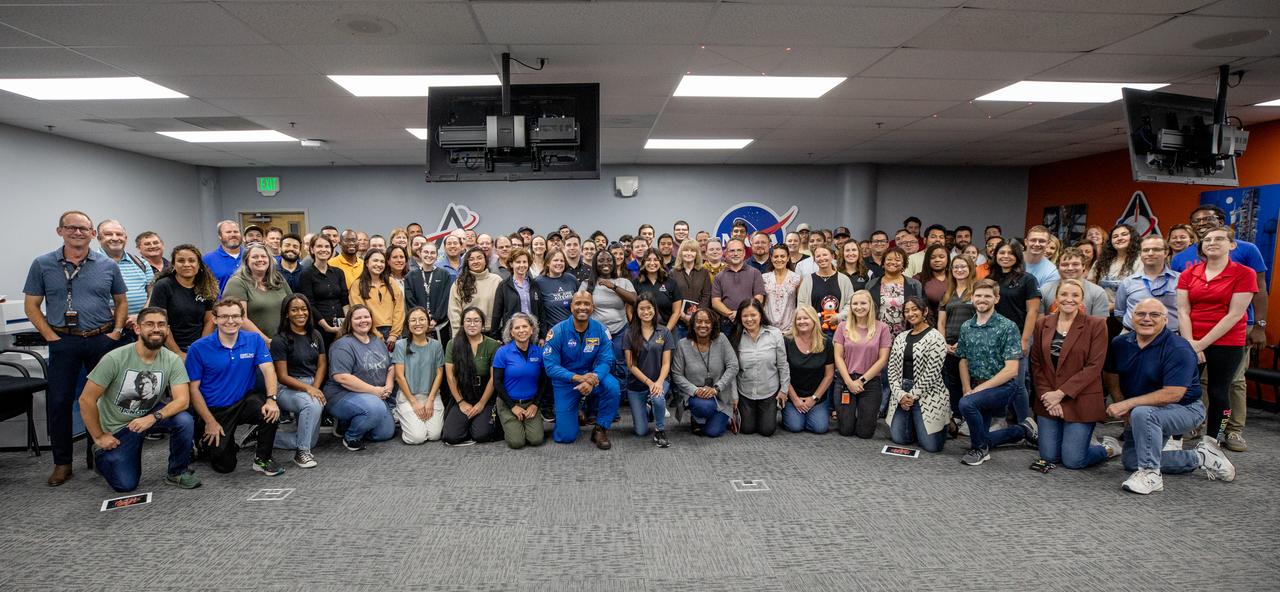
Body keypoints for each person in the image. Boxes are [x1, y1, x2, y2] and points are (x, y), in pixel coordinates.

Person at [24, 210, 128, 486]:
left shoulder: (107, 265)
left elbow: (121, 301)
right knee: (59, 402)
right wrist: (50, 336)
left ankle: (100, 455)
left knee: (105, 400)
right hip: (63, 340)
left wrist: (116, 332)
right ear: (60, 231)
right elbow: (31, 305)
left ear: (92, 234)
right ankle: (62, 463)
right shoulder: (43, 264)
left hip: (101, 339)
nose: (78, 233)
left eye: (84, 229)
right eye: (71, 228)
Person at [1103, 299, 1235, 494]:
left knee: (1144, 414)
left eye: (1154, 315)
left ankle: (1151, 474)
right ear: (1131, 317)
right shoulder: (1120, 343)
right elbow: (1111, 373)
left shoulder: (1179, 348)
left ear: (1165, 320)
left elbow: (1174, 393)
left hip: (1185, 408)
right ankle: (1201, 457)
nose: (1146, 319)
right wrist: (1120, 401)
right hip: (1143, 408)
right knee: (1131, 461)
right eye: (1141, 314)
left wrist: (1128, 404)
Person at [1171, 205, 1269, 451]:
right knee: (1183, 388)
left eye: (1219, 239)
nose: (1212, 242)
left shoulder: (1244, 273)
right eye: (1207, 240)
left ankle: (1214, 439)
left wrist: (1200, 345)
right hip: (1191, 338)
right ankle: (1176, 436)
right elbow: (1183, 310)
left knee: (1219, 390)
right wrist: (1191, 343)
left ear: (1232, 245)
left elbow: (1234, 315)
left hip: (1227, 340)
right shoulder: (1188, 273)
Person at [79, 307, 199, 492]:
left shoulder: (172, 360)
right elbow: (86, 400)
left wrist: (153, 417)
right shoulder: (115, 358)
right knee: (125, 485)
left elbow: (182, 400)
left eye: (161, 324)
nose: (156, 329)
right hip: (118, 428)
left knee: (184, 419)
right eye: (149, 324)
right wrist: (99, 437)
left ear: (167, 329)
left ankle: (177, 472)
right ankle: (102, 455)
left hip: (148, 416)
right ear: (137, 329)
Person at [184, 298, 284, 476]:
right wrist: (209, 421)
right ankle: (203, 439)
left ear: (242, 318)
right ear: (214, 319)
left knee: (271, 412)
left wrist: (271, 399)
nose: (230, 321)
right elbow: (193, 390)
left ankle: (262, 459)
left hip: (243, 401)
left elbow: (268, 369)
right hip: (215, 410)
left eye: (235, 316)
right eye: (224, 317)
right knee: (225, 466)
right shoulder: (198, 348)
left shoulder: (253, 339)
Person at [1028, 279, 1115, 469]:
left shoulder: (1096, 325)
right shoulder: (1043, 323)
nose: (1069, 299)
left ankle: (1107, 449)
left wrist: (1060, 394)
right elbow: (1036, 364)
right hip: (1048, 399)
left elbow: (1094, 367)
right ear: (1056, 299)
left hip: (1080, 398)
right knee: (1049, 457)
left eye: (1075, 295)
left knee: (1073, 461)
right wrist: (1048, 396)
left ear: (1082, 299)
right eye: (1064, 295)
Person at [955, 280, 1032, 466]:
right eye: (978, 295)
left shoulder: (1007, 326)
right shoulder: (967, 326)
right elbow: (963, 360)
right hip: (977, 385)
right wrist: (967, 387)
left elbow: (1012, 370)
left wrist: (977, 391)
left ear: (996, 299)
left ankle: (981, 451)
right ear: (972, 298)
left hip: (1004, 386)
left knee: (966, 404)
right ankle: (1023, 431)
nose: (982, 299)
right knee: (980, 436)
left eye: (987, 296)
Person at [543, 291, 622, 448]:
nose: (582, 307)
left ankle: (600, 428)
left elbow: (606, 359)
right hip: (567, 382)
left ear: (592, 307)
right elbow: (551, 367)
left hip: (594, 377)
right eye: (578, 303)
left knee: (613, 387)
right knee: (566, 436)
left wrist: (593, 378)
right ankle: (575, 411)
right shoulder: (557, 331)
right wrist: (580, 378)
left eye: (587, 304)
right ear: (571, 306)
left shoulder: (600, 330)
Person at [323, 305, 396, 451]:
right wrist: (375, 391)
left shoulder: (377, 341)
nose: (363, 320)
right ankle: (351, 436)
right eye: (358, 318)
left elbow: (390, 367)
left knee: (384, 433)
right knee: (375, 409)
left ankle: (349, 422)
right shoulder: (342, 345)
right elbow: (342, 377)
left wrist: (388, 386)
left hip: (374, 396)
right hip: (342, 395)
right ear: (349, 321)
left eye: (366, 317)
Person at [988, 240, 1040, 435]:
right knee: (995, 380)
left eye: (1010, 253)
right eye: (1002, 252)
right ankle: (999, 419)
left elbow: (1033, 312)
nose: (1005, 256)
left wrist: (1025, 340)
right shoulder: (991, 279)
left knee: (1017, 383)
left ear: (1018, 256)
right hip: (993, 338)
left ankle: (1026, 423)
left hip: (1017, 337)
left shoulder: (1027, 279)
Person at [886, 297, 949, 453]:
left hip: (928, 392)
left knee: (932, 446)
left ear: (925, 311)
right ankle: (916, 423)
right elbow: (892, 369)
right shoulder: (901, 337)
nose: (910, 313)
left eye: (914, 309)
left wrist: (913, 395)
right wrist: (900, 395)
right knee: (900, 438)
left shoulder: (936, 337)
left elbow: (932, 373)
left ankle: (947, 422)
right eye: (906, 311)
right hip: (902, 389)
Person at [270, 294, 325, 468]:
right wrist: (309, 390)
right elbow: (282, 376)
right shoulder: (280, 340)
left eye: (303, 309)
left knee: (311, 440)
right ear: (286, 314)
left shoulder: (315, 335)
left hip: (311, 385)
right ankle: (301, 453)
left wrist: (314, 387)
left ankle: (264, 436)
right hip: (287, 387)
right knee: (312, 404)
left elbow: (322, 365)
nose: (300, 313)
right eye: (294, 310)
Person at [670, 308, 738, 437]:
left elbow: (733, 366)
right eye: (699, 321)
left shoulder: (722, 339)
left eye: (707, 322)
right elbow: (676, 374)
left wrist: (716, 388)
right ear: (693, 324)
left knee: (712, 432)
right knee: (704, 406)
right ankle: (699, 417)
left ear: (713, 325)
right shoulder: (682, 345)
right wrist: (696, 390)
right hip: (696, 395)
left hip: (720, 394)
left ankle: (717, 417)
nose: (703, 325)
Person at [832, 291, 889, 439]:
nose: (859, 307)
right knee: (846, 430)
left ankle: (865, 417)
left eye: (863, 303)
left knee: (865, 433)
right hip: (845, 381)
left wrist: (861, 381)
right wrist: (849, 382)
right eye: (855, 304)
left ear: (870, 305)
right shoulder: (842, 327)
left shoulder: (882, 328)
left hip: (870, 383)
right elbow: (838, 357)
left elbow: (883, 359)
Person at [442, 307, 500, 445]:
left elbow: (493, 378)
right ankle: (468, 423)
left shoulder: (492, 345)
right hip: (463, 393)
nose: (472, 324)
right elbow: (451, 377)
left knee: (481, 435)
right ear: (462, 323)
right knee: (451, 436)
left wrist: (481, 404)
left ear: (482, 324)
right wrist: (461, 402)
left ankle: (478, 422)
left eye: (476, 321)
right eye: (468, 320)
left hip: (485, 394)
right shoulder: (453, 344)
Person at [731, 299, 789, 437]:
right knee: (747, 429)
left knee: (767, 430)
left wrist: (784, 390)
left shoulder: (774, 334)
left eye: (753, 315)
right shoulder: (735, 336)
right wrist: (734, 396)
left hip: (769, 391)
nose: (749, 319)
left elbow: (783, 364)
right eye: (745, 316)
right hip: (745, 391)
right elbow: (732, 370)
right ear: (740, 317)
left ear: (761, 315)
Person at [623, 293, 675, 446]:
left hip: (660, 380)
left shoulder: (664, 332)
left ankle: (660, 430)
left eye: (649, 308)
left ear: (654, 309)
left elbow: (666, 364)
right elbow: (631, 365)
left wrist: (658, 383)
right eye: (641, 309)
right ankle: (647, 407)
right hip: (636, 386)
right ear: (636, 311)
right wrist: (649, 383)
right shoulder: (629, 333)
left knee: (658, 397)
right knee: (640, 431)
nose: (646, 312)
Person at [147, 244, 216, 356]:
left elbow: (209, 320)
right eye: (181, 261)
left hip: (199, 346)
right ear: (173, 264)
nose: (187, 264)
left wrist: (201, 348)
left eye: (191, 260)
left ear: (199, 265)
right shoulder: (163, 286)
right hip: (169, 348)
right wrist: (178, 353)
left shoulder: (206, 286)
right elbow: (160, 324)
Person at [392, 307, 446, 445]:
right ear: (408, 324)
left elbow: (439, 374)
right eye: (413, 320)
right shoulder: (400, 345)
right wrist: (414, 402)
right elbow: (399, 376)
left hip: (430, 396)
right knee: (417, 438)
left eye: (422, 319)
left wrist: (430, 400)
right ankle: (401, 413)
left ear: (428, 323)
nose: (418, 323)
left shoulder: (436, 345)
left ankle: (418, 422)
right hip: (408, 396)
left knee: (435, 435)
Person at [493, 313, 546, 449]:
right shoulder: (502, 352)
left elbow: (544, 381)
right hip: (508, 403)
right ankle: (507, 422)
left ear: (532, 329)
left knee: (536, 440)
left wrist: (535, 404)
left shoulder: (539, 352)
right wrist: (512, 406)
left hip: (530, 404)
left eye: (525, 326)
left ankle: (524, 423)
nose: (521, 330)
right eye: (517, 328)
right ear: (511, 332)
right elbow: (497, 383)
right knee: (517, 443)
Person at [221, 243, 293, 342]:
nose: (260, 259)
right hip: (252, 344)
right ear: (246, 261)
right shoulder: (237, 282)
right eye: (255, 257)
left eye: (264, 256)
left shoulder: (278, 279)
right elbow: (240, 319)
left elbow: (293, 305)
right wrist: (267, 341)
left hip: (283, 341)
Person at [781, 305, 834, 434]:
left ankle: (810, 413)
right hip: (793, 396)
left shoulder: (826, 342)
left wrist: (814, 398)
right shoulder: (787, 341)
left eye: (806, 318)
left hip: (817, 396)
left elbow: (829, 375)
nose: (802, 321)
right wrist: (795, 399)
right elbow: (783, 373)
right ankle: (796, 414)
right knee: (795, 427)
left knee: (820, 428)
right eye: (798, 319)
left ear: (814, 320)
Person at [97, 219, 154, 337]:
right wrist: (121, 318)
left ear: (126, 238)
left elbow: (152, 294)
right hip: (108, 328)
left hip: (142, 326)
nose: (115, 238)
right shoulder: (90, 264)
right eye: (108, 234)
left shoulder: (141, 263)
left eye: (119, 234)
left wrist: (139, 316)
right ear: (99, 239)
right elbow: (89, 300)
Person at [937, 255, 976, 425]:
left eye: (963, 267)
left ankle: (970, 416)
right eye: (956, 267)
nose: (959, 270)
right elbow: (941, 322)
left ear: (970, 268)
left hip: (970, 344)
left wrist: (964, 341)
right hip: (949, 344)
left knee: (970, 380)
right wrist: (943, 343)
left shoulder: (976, 291)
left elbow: (980, 319)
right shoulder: (947, 294)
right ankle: (957, 416)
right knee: (952, 381)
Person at [1114, 236, 1180, 332]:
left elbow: (1187, 311)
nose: (1150, 253)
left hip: (1170, 338)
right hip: (1132, 337)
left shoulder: (1180, 280)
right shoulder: (1128, 282)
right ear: (1140, 254)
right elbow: (1119, 313)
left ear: (1166, 253)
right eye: (1145, 250)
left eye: (1156, 249)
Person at [298, 234, 348, 349]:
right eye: (319, 246)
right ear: (312, 249)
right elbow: (309, 304)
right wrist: (327, 327)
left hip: (341, 325)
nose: (323, 249)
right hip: (319, 327)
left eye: (327, 246)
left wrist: (346, 323)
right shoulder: (306, 274)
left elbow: (344, 300)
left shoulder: (338, 272)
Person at [348, 249, 405, 346]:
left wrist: (394, 334)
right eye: (375, 260)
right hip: (369, 332)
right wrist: (375, 334)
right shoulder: (357, 285)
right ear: (366, 263)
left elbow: (399, 309)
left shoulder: (391, 282)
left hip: (394, 333)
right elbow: (358, 312)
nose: (379, 264)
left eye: (382, 261)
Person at [711, 238, 766, 336]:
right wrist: (731, 314)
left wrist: (743, 314)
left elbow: (759, 298)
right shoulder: (719, 276)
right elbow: (715, 302)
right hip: (727, 323)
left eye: (739, 250)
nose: (735, 254)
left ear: (744, 253)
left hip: (750, 321)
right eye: (732, 251)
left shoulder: (755, 273)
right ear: (726, 254)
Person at [797, 245, 854, 337]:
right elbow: (801, 304)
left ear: (832, 256)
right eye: (818, 256)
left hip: (839, 331)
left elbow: (851, 303)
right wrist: (812, 320)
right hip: (814, 331)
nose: (822, 258)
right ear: (814, 259)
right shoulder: (808, 280)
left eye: (825, 255)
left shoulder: (844, 279)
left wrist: (838, 317)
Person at [865, 248, 922, 339]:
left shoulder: (914, 285)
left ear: (903, 264)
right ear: (883, 263)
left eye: (897, 260)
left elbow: (921, 310)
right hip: (878, 335)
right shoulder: (871, 285)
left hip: (908, 334)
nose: (893, 262)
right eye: (889, 259)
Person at [404, 240, 454, 343]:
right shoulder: (411, 276)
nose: (429, 255)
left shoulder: (444, 275)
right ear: (420, 253)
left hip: (440, 326)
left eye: (432, 253)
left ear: (437, 256)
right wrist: (423, 320)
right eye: (426, 252)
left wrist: (435, 318)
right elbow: (410, 300)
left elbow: (446, 299)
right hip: (419, 325)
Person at [448, 247, 502, 337]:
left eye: (479, 258)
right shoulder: (460, 283)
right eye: (471, 259)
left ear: (486, 261)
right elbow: (454, 311)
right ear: (467, 263)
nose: (476, 261)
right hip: (467, 333)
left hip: (493, 333)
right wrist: (457, 336)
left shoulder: (497, 280)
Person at [1040, 247, 1109, 317]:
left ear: (1083, 266)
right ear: (1058, 267)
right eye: (1065, 265)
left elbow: (1099, 326)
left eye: (1075, 264)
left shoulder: (1098, 293)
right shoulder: (1045, 290)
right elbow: (1039, 324)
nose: (1070, 268)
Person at [491, 247, 541, 338]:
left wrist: (542, 336)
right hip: (512, 334)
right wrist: (495, 336)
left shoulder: (535, 284)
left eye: (524, 262)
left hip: (532, 334)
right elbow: (496, 314)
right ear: (511, 264)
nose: (522, 265)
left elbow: (541, 312)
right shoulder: (503, 286)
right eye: (518, 262)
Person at [670, 239, 712, 339]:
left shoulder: (704, 272)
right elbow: (671, 296)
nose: (689, 253)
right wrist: (683, 316)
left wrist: (695, 316)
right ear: (680, 253)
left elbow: (706, 295)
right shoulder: (673, 273)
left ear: (697, 254)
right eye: (686, 250)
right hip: (678, 322)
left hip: (699, 322)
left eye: (692, 250)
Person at [533, 248, 580, 335]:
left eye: (562, 261)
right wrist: (542, 335)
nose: (559, 263)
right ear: (547, 263)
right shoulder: (538, 282)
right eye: (555, 260)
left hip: (574, 331)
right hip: (553, 333)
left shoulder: (571, 279)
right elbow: (538, 311)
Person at [634, 248, 683, 333]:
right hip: (642, 331)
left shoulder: (671, 282)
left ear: (660, 263)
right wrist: (637, 329)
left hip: (668, 329)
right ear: (643, 263)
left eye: (656, 260)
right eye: (648, 260)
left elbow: (677, 311)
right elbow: (629, 310)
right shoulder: (636, 283)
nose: (652, 263)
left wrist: (666, 332)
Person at [1092, 224, 1140, 307]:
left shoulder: (1141, 260)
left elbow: (1140, 292)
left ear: (1132, 237)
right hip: (1101, 310)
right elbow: (1091, 283)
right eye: (1115, 236)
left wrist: (1114, 306)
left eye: (1124, 234)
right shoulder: (1102, 260)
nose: (1119, 238)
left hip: (1128, 312)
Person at [763, 244, 801, 335]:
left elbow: (800, 303)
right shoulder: (764, 278)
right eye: (776, 256)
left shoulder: (797, 278)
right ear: (771, 258)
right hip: (768, 328)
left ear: (788, 258)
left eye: (782, 256)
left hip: (789, 329)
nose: (779, 259)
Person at [203, 220, 242, 293]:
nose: (233, 235)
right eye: (228, 232)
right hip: (222, 303)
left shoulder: (251, 255)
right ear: (220, 236)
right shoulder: (208, 259)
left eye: (236, 231)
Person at [914, 244, 949, 317]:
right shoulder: (918, 279)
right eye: (932, 257)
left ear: (948, 259)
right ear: (927, 260)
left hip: (954, 322)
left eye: (941, 257)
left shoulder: (955, 277)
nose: (937, 260)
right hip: (929, 322)